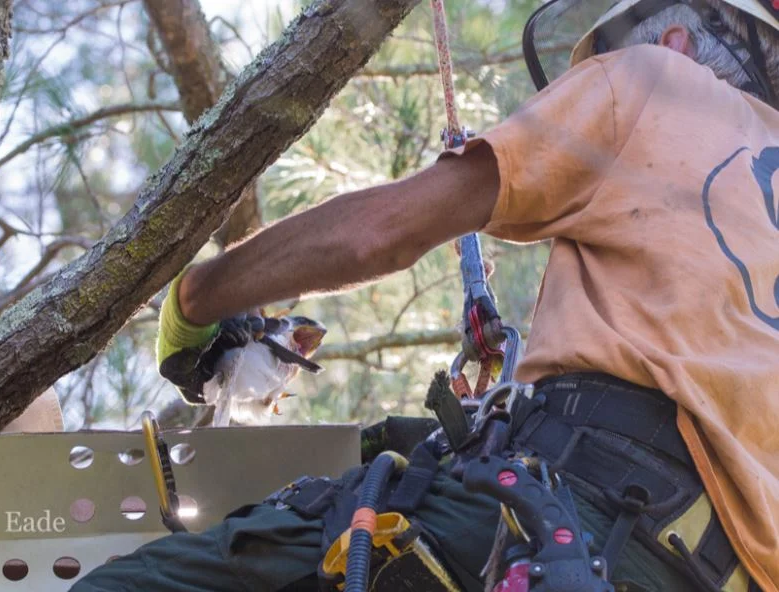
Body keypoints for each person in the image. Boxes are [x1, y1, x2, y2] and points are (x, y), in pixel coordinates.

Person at [71, 0, 779, 590]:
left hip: (571, 525)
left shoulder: (660, 82)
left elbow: (377, 234)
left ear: (678, 38)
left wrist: (196, 297)